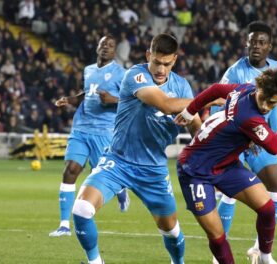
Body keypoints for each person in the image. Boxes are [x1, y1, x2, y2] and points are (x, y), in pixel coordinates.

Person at [71, 33, 201, 264]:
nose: (161, 69)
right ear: (148, 55)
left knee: (170, 229)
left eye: (167, 64)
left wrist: (208, 147)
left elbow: (196, 129)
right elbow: (165, 104)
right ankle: (95, 262)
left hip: (153, 168)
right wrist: (208, 98)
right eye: (157, 62)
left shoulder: (182, 87)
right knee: (81, 209)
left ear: (175, 60)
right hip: (118, 161)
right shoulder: (136, 75)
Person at [175, 69, 277, 264]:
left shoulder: (245, 89)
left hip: (226, 165)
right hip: (195, 170)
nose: (265, 106)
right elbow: (275, 146)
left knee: (267, 208)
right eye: (264, 98)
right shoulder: (249, 116)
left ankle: (264, 257)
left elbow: (216, 89)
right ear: (258, 88)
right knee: (218, 236)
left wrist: (189, 111)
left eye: (273, 103)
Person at [213, 21, 277, 260]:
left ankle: (260, 249)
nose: (256, 46)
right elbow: (220, 102)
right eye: (253, 41)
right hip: (237, 139)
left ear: (269, 46)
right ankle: (218, 255)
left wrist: (269, 132)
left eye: (262, 42)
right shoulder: (235, 71)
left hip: (262, 140)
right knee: (229, 193)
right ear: (246, 43)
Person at [49, 35, 129, 237]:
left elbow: (132, 102)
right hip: (81, 128)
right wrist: (69, 99)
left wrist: (112, 100)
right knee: (70, 170)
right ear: (97, 47)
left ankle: (121, 191)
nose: (105, 48)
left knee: (101, 175)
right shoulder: (89, 70)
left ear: (114, 51)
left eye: (110, 46)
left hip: (104, 132)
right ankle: (64, 225)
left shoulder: (122, 74)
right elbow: (87, 95)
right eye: (103, 44)